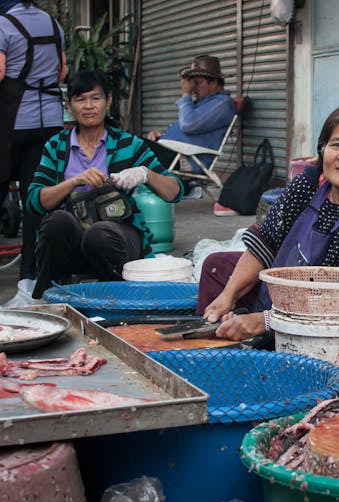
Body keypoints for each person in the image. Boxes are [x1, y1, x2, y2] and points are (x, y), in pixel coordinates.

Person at [198, 103, 339, 346]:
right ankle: (215, 345)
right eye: (336, 144)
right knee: (217, 267)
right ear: (323, 149)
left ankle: (271, 348)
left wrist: (266, 321)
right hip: (301, 286)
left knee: (337, 339)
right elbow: (265, 244)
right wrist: (228, 296)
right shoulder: (308, 184)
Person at [26, 70, 183, 299]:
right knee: (56, 221)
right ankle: (47, 298)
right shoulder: (56, 146)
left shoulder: (127, 143)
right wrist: (74, 181)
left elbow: (174, 191)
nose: (88, 106)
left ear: (108, 101)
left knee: (99, 233)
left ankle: (117, 300)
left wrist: (144, 173)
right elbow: (34, 201)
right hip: (73, 239)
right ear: (68, 106)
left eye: (95, 98)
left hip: (119, 237)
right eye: (80, 99)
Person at [0, 0, 66, 279]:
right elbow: (62, 72)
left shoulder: (3, 24)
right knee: (35, 201)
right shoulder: (54, 24)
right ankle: (29, 275)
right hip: (50, 121)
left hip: (13, 120)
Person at [144, 54, 235, 197]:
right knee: (128, 144)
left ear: (214, 82)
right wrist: (162, 136)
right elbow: (187, 128)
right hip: (175, 152)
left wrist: (185, 94)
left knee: (130, 146)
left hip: (186, 158)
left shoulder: (222, 103)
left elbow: (188, 124)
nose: (193, 89)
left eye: (197, 83)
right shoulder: (204, 102)